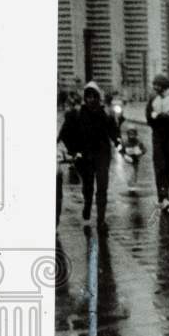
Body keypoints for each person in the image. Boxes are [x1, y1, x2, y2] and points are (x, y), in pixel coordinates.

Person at [57, 80, 118, 232]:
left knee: (102, 187)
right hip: (84, 156)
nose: (91, 99)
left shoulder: (105, 114)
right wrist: (73, 151)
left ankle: (101, 221)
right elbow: (64, 134)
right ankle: (87, 204)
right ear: (85, 98)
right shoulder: (76, 115)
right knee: (88, 186)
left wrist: (121, 146)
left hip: (102, 155)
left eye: (94, 96)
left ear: (98, 98)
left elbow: (114, 134)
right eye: (88, 96)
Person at [146, 73, 169, 210]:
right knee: (160, 165)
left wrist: (161, 117)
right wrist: (161, 117)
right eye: (154, 84)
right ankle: (163, 197)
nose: (155, 87)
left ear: (164, 86)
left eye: (157, 84)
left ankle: (164, 193)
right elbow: (148, 118)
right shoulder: (152, 99)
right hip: (158, 136)